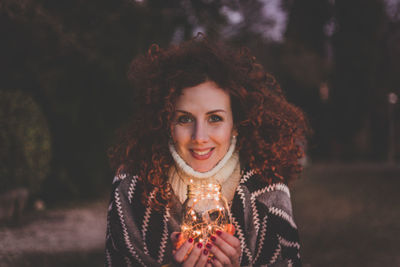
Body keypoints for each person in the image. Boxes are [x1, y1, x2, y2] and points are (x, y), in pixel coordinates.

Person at [105, 36, 309, 267]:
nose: (199, 137)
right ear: (165, 122)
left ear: (236, 124)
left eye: (215, 118)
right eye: (184, 119)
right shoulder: (132, 188)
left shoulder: (268, 191)